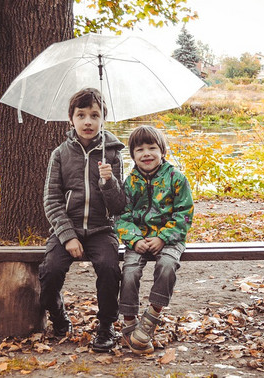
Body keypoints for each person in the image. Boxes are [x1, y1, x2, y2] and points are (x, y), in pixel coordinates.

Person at [38, 88, 126, 353]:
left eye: (95, 115)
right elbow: (51, 200)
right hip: (68, 227)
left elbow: (120, 205)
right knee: (50, 270)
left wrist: (108, 183)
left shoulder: (112, 154)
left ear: (103, 119)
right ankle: (58, 316)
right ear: (71, 119)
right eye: (81, 115)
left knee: (110, 268)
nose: (88, 121)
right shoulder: (60, 154)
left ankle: (106, 326)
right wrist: (67, 236)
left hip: (101, 229)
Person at [115, 125, 194, 355]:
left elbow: (184, 214)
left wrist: (163, 237)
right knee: (129, 271)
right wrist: (134, 239)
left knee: (167, 265)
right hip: (138, 239)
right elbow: (122, 217)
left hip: (170, 238)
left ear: (162, 151)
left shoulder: (176, 178)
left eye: (152, 148)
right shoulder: (129, 183)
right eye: (140, 149)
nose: (146, 153)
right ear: (133, 155)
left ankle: (152, 316)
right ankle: (129, 322)